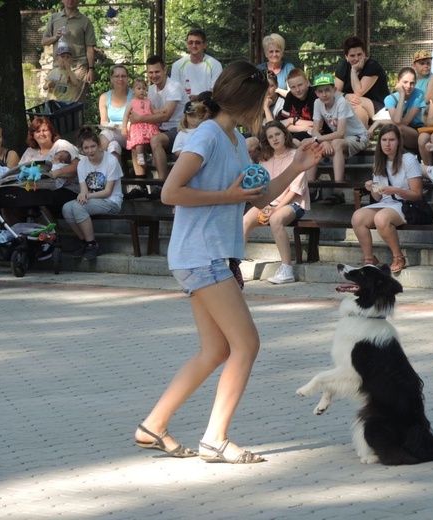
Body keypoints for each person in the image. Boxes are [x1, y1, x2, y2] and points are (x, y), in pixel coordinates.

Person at [135, 61, 323, 464]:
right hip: (201, 255)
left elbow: (254, 197)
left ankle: (153, 426)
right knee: (247, 344)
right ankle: (215, 440)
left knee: (216, 350)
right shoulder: (206, 136)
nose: (265, 108)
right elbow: (170, 192)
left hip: (205, 255)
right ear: (246, 100)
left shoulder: (235, 138)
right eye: (264, 101)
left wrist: (297, 165)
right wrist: (227, 197)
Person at [243, 122, 309, 284]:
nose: (274, 139)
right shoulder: (265, 159)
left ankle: (287, 269)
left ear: (285, 135)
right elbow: (260, 187)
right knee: (244, 221)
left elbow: (294, 190)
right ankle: (236, 264)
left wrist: (275, 209)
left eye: (277, 134)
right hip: (267, 204)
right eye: (270, 137)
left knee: (276, 219)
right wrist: (265, 206)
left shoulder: (296, 156)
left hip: (292, 203)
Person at [351, 124, 423, 273]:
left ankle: (398, 256)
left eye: (392, 140)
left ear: (398, 142)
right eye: (384, 140)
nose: (387, 144)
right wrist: (372, 188)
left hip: (406, 203)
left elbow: (417, 194)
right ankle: (369, 258)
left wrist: (395, 190)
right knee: (357, 217)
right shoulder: (379, 161)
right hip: (387, 202)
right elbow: (377, 197)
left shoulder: (408, 159)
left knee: (381, 218)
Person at [62, 126, 123, 260]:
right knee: (66, 208)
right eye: (86, 148)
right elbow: (84, 188)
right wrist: (83, 195)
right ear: (82, 150)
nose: (90, 151)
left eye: (93, 146)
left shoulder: (111, 161)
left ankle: (93, 244)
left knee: (78, 207)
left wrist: (86, 196)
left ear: (99, 145)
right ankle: (84, 242)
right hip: (93, 200)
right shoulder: (82, 164)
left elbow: (108, 192)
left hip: (111, 202)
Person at [311, 73, 369, 205]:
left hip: (358, 137)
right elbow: (315, 129)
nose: (324, 94)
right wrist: (321, 141)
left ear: (334, 90)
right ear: (316, 93)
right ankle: (312, 189)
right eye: (320, 91)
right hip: (341, 139)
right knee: (312, 145)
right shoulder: (317, 103)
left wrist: (321, 139)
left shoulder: (341, 102)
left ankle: (338, 191)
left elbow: (340, 133)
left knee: (335, 143)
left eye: (327, 90)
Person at [130, 55, 185, 188]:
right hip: (158, 129)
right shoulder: (152, 90)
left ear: (165, 70)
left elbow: (166, 115)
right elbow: (151, 113)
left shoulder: (174, 87)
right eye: (150, 72)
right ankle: (140, 184)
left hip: (178, 129)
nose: (154, 75)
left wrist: (140, 119)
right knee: (135, 141)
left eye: (157, 71)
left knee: (156, 140)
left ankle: (161, 185)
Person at [17, 116, 80, 218]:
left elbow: (76, 167)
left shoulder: (62, 145)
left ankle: (51, 231)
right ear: (32, 135)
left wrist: (55, 173)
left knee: (38, 196)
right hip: (36, 188)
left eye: (44, 130)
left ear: (51, 132)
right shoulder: (29, 152)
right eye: (37, 131)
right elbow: (19, 171)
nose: (41, 134)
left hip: (67, 190)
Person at [41, 0, 96, 103]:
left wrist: (91, 69)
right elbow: (44, 41)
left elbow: (90, 47)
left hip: (78, 67)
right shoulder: (54, 18)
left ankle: (75, 119)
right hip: (59, 66)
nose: (71, 0)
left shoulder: (85, 21)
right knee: (55, 100)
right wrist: (55, 37)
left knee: (75, 103)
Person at [334, 36, 390, 127]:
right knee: (353, 105)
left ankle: (362, 135)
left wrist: (353, 71)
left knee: (357, 102)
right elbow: (335, 91)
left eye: (359, 54)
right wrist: (346, 96)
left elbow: (358, 92)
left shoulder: (372, 66)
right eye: (352, 55)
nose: (356, 59)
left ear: (364, 54)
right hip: (353, 104)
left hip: (379, 108)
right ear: (346, 57)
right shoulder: (343, 67)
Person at [368, 67, 426, 151]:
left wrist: (379, 122)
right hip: (400, 133)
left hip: (416, 132)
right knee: (389, 132)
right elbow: (396, 120)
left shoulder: (419, 94)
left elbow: (403, 122)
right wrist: (402, 95)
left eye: (412, 83)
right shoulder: (389, 99)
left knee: (396, 128)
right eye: (405, 82)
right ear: (397, 82)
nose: (409, 86)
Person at [170, 28, 222, 103]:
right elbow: (174, 93)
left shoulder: (215, 65)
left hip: (206, 108)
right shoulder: (177, 65)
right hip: (183, 108)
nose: (194, 46)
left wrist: (197, 98)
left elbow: (215, 93)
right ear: (187, 45)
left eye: (197, 42)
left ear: (204, 45)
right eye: (190, 42)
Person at [122, 77, 161, 169]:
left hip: (149, 125)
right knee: (138, 141)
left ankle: (155, 158)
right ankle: (140, 156)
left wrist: (160, 111)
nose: (142, 91)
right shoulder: (132, 102)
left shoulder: (148, 101)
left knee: (154, 141)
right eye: (139, 89)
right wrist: (124, 127)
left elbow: (153, 110)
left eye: (144, 89)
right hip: (137, 126)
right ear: (133, 90)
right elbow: (126, 115)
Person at [98, 65, 133, 161]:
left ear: (127, 78)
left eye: (123, 76)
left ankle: (95, 158)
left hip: (130, 133)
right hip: (113, 131)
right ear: (111, 79)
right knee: (113, 147)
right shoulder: (104, 97)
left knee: (106, 134)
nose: (120, 79)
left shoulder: (134, 96)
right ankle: (115, 175)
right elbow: (103, 121)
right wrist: (110, 126)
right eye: (117, 76)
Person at [280, 68, 318, 141]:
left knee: (293, 140)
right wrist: (292, 121)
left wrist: (290, 122)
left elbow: (317, 125)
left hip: (313, 134)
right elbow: (282, 124)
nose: (297, 90)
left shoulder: (314, 95)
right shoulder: (290, 96)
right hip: (296, 131)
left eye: (300, 85)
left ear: (307, 82)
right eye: (293, 87)